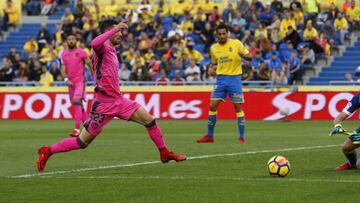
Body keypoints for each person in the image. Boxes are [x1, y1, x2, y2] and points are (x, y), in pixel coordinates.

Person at [37, 20, 186, 172]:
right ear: (108, 33)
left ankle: (164, 153)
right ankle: (48, 151)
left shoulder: (113, 50)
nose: (121, 35)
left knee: (150, 120)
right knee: (82, 142)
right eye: (118, 32)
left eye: (121, 32)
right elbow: (94, 43)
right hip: (103, 105)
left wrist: (115, 30)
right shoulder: (101, 48)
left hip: (119, 101)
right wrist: (114, 29)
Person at [197, 23, 251, 144]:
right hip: (220, 80)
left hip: (234, 79)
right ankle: (210, 136)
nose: (222, 36)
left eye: (224, 34)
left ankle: (242, 137)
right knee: (212, 106)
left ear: (227, 34)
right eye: (219, 34)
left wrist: (244, 56)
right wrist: (211, 68)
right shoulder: (214, 48)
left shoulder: (236, 43)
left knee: (238, 107)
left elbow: (250, 57)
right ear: (216, 35)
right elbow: (214, 63)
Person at [61, 33, 93, 137]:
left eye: (72, 39)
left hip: (80, 81)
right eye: (69, 39)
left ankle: (76, 129)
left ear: (76, 41)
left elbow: (89, 63)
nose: (71, 41)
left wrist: (94, 75)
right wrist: (66, 79)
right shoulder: (64, 54)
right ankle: (89, 127)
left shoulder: (82, 52)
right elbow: (63, 68)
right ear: (67, 41)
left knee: (76, 101)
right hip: (70, 83)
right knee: (79, 105)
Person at [329, 94, 360, 170]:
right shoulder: (358, 98)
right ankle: (352, 164)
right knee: (346, 148)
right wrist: (337, 126)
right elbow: (339, 117)